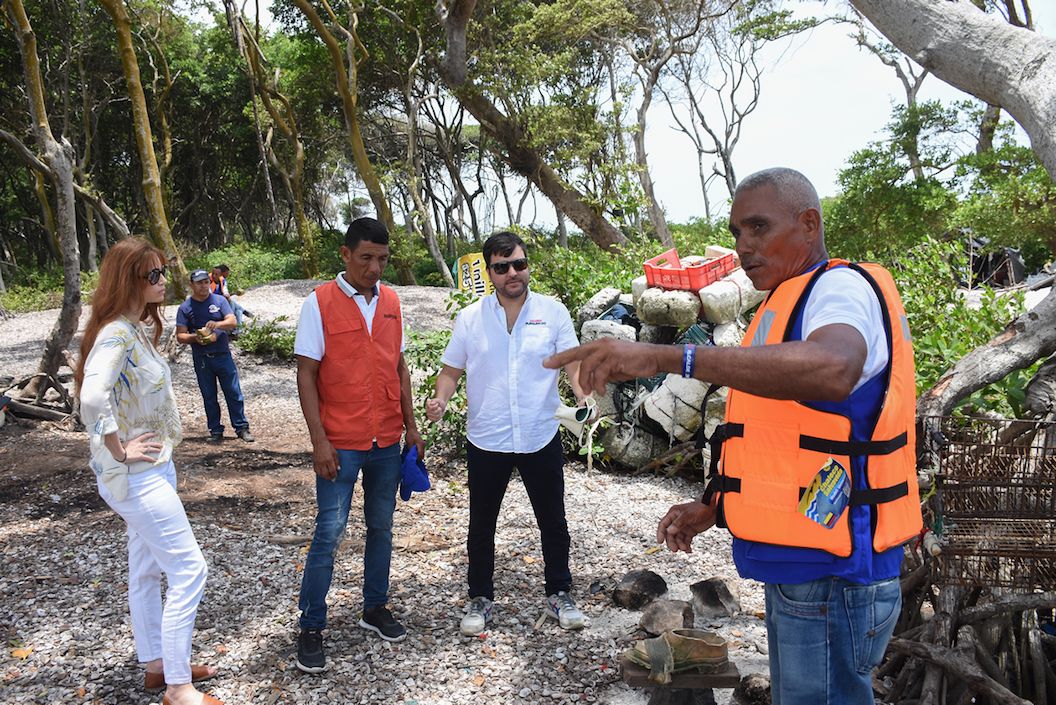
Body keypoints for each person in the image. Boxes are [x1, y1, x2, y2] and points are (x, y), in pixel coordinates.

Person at [545, 168, 921, 705]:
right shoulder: (783, 302)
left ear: (809, 224)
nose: (744, 247)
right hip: (808, 565)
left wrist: (666, 356)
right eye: (737, 231)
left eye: (759, 228)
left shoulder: (837, 288)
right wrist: (716, 506)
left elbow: (836, 368)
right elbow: (784, 440)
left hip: (835, 572)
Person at [75, 239, 221, 705]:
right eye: (153, 275)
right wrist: (118, 449)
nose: (163, 282)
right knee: (189, 570)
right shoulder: (116, 333)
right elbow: (92, 399)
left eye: (162, 272)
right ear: (129, 281)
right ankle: (179, 687)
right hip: (135, 474)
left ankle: (157, 665)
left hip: (152, 467)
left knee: (145, 567)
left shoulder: (135, 328)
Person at [426, 231, 593, 637]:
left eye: (519, 264)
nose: (513, 273)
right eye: (502, 267)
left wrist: (586, 397)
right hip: (488, 437)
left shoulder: (553, 313)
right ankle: (480, 598)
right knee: (481, 523)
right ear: (490, 273)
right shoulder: (470, 318)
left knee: (553, 520)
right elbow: (451, 371)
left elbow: (572, 365)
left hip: (540, 433)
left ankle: (559, 593)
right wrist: (440, 400)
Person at [292, 217, 425, 673]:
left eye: (382, 259)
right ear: (345, 255)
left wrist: (412, 427)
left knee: (382, 528)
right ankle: (311, 626)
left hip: (387, 438)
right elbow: (306, 374)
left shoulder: (391, 301)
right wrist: (319, 442)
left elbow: (399, 366)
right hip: (340, 442)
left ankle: (374, 607)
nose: (374, 267)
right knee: (329, 534)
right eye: (366, 257)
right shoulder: (319, 303)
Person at [175, 270, 254, 443]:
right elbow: (180, 336)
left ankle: (241, 428)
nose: (203, 286)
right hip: (201, 358)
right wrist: (195, 338)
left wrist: (217, 324)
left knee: (233, 392)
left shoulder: (219, 301)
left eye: (206, 282)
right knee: (209, 395)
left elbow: (232, 321)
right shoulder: (185, 308)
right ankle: (215, 430)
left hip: (223, 355)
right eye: (199, 283)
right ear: (191, 285)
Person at [210, 265, 252, 333]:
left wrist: (229, 295)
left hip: (222, 300)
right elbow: (210, 295)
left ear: (220, 275)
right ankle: (231, 320)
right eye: (213, 273)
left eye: (216, 274)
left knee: (238, 311)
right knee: (232, 301)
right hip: (213, 303)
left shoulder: (222, 281)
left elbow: (225, 291)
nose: (214, 276)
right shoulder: (208, 281)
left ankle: (238, 330)